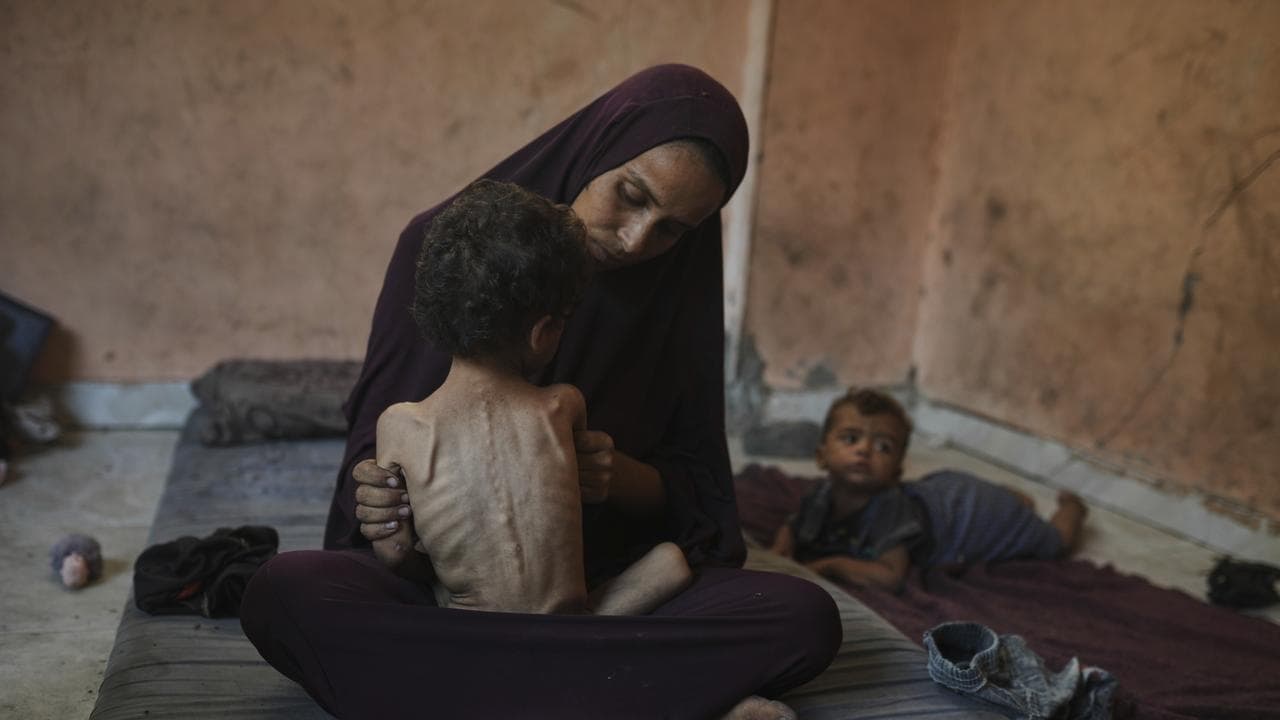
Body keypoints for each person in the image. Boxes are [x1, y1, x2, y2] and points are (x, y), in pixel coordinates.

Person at [240, 65, 840, 720]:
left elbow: (700, 501)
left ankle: (465, 695)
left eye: (673, 229)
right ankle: (623, 693)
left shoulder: (674, 296)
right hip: (469, 593)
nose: (639, 239)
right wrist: (383, 501)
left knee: (803, 617)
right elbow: (370, 487)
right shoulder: (447, 252)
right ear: (597, 151)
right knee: (282, 593)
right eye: (631, 196)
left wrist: (617, 478)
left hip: (594, 581)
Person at [377, 178, 690, 616]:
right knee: (673, 561)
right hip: (570, 632)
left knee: (304, 583)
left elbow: (395, 555)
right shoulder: (563, 405)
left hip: (473, 642)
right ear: (543, 333)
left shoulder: (399, 424)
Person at [771, 388, 1087, 592]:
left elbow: (890, 575)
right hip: (945, 491)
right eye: (851, 439)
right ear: (821, 455)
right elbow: (793, 524)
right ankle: (1014, 498)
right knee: (994, 496)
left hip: (970, 516)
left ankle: (1071, 509)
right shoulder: (820, 495)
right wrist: (779, 549)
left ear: (897, 471)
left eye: (883, 446)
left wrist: (830, 565)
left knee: (1053, 543)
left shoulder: (889, 511)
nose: (865, 450)